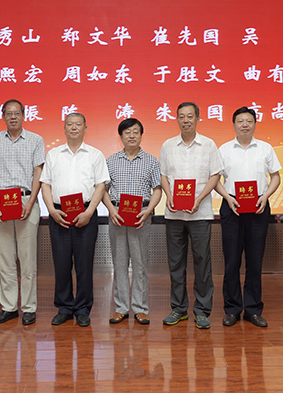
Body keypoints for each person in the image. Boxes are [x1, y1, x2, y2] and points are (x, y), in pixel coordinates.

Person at [214, 106, 281, 328]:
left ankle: (253, 309)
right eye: (240, 121)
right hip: (232, 206)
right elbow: (215, 179)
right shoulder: (224, 149)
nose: (245, 124)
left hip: (258, 206)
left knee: (255, 260)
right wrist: (227, 198)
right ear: (234, 124)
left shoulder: (265, 148)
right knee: (232, 261)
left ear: (255, 124)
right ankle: (232, 309)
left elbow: (276, 177)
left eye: (249, 121)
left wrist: (266, 197)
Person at [41, 113, 109, 327]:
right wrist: (51, 210)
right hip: (59, 213)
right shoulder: (53, 154)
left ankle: (82, 309)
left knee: (84, 264)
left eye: (78, 124)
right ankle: (64, 307)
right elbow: (45, 184)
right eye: (69, 124)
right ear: (64, 128)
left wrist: (90, 211)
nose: (73, 127)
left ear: (85, 128)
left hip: (86, 212)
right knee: (61, 264)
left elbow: (100, 185)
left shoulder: (95, 154)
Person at [159, 102, 223, 329]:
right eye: (181, 116)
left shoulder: (209, 144)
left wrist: (199, 199)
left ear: (198, 119)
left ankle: (202, 310)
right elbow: (164, 176)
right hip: (174, 214)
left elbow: (215, 175)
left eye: (190, 116)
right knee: (175, 264)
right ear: (177, 119)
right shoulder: (168, 145)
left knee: (202, 262)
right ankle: (178, 308)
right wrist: (169, 196)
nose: (185, 120)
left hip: (200, 213)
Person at [0, 99, 45, 326]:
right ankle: (9, 307)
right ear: (3, 116)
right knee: (6, 259)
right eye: (8, 113)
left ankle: (29, 308)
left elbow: (38, 172)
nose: (13, 117)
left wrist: (32, 201)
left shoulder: (35, 140)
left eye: (16, 113)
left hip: (26, 200)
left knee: (27, 259)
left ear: (23, 115)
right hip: (0, 202)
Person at [102, 118, 162, 326]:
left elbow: (157, 190)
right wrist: (111, 210)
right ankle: (121, 308)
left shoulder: (151, 161)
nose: (132, 135)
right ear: (121, 136)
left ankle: (140, 308)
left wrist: (148, 211)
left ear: (141, 135)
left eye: (136, 132)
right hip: (117, 215)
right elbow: (103, 190)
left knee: (139, 264)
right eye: (127, 132)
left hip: (141, 216)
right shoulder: (111, 161)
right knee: (119, 264)